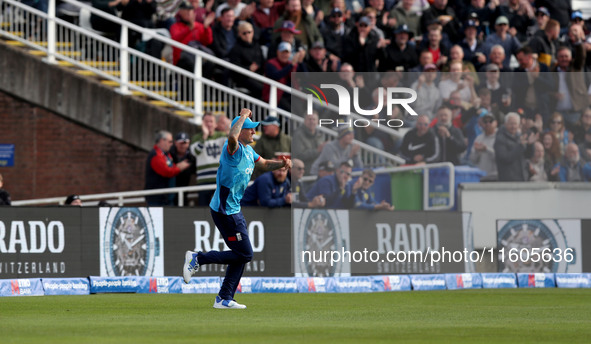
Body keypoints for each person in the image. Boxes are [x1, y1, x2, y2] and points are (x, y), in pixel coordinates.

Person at [182, 108, 292, 309]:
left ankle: (224, 298)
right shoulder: (231, 149)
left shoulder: (249, 151)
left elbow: (265, 164)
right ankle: (198, 258)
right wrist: (242, 117)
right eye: (250, 129)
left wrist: (281, 165)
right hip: (224, 211)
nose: (253, 132)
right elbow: (232, 136)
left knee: (241, 254)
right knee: (245, 254)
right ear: (240, 131)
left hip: (234, 209)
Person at [145, 130, 191, 206]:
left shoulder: (165, 154)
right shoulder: (156, 155)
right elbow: (167, 172)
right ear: (162, 141)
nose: (171, 144)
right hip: (158, 198)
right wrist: (179, 168)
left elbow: (171, 168)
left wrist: (177, 167)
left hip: (166, 197)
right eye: (170, 142)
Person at [190, 113, 227, 206]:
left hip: (220, 179)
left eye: (211, 121)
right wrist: (204, 137)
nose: (209, 124)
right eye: (206, 121)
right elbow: (195, 152)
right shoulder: (196, 138)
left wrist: (229, 129)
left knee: (222, 208)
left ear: (216, 124)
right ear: (202, 123)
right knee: (204, 209)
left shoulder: (222, 136)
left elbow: (232, 148)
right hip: (203, 180)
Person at [170, 1, 214, 67]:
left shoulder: (199, 26)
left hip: (198, 59)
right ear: (180, 12)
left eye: (190, 10)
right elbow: (175, 41)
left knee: (210, 61)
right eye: (186, 10)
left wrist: (206, 28)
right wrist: (189, 28)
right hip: (181, 61)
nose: (189, 12)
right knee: (189, 61)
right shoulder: (175, 26)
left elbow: (208, 41)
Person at [494, 112, 535, 181]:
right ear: (505, 124)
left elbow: (528, 156)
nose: (513, 126)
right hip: (508, 180)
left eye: (515, 124)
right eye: (511, 124)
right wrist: (520, 146)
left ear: (519, 125)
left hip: (522, 178)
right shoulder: (500, 139)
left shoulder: (520, 137)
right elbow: (505, 158)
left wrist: (530, 145)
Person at [169, 132, 197, 205]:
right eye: (181, 143)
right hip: (169, 192)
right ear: (175, 143)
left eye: (185, 143)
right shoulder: (169, 153)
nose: (183, 145)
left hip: (185, 191)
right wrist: (177, 167)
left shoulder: (192, 155)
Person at [470, 113, 498, 181]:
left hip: (496, 176)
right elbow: (472, 160)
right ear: (481, 124)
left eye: (490, 121)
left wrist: (486, 149)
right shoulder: (478, 138)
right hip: (482, 176)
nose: (488, 124)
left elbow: (501, 157)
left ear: (496, 123)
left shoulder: (500, 137)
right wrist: (477, 151)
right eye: (485, 122)